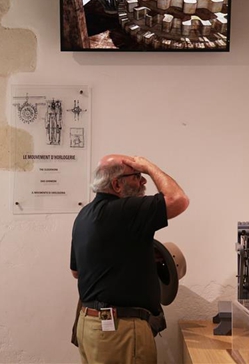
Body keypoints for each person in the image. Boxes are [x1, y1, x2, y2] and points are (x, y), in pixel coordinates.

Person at [70, 154, 189, 364]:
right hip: (119, 332)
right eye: (137, 176)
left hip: (89, 327)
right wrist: (148, 166)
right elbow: (178, 200)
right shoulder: (126, 210)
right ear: (117, 184)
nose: (143, 181)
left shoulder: (84, 215)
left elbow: (76, 271)